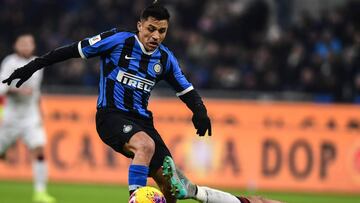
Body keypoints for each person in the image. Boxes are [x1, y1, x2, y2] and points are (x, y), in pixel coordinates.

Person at [2, 3, 283, 203]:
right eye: (150, 29)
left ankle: (247, 201)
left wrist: (200, 111)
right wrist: (32, 66)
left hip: (142, 122)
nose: (155, 36)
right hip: (110, 116)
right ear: (139, 26)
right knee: (145, 146)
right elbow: (70, 51)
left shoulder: (165, 58)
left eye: (161, 31)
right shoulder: (116, 41)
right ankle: (135, 199)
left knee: (177, 189)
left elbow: (185, 89)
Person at [0, 34, 56, 203]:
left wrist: (40, 108)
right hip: (11, 116)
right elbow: (2, 87)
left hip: (30, 116)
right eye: (22, 43)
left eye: (29, 43)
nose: (25, 46)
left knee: (39, 149)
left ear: (33, 46)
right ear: (16, 45)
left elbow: (36, 91)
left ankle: (40, 193)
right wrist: (17, 90)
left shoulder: (38, 63)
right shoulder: (10, 62)